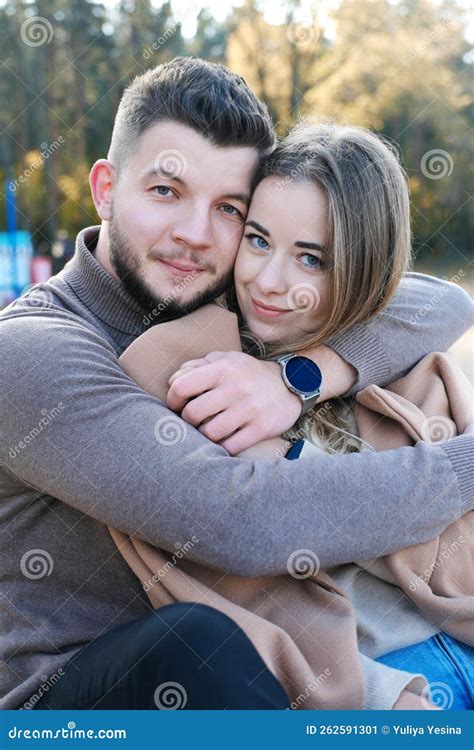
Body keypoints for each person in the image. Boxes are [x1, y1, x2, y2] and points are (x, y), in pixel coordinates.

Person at [0, 58, 472, 711]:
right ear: (106, 188)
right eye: (166, 191)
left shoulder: (225, 295)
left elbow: (438, 301)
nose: (195, 235)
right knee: (198, 645)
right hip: (82, 699)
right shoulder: (30, 350)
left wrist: (299, 376)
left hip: (269, 656)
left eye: (228, 208)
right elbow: (243, 518)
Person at [162, 122, 474, 709]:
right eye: (257, 240)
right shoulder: (198, 373)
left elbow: (452, 300)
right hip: (389, 678)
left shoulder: (398, 351)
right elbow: (229, 592)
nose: (270, 281)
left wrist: (297, 378)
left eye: (311, 257)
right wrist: (383, 696)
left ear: (365, 266)